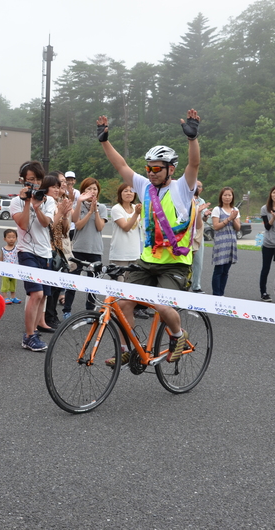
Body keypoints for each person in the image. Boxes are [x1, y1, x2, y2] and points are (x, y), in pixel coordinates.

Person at [96, 109, 201, 365]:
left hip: (175, 264)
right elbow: (120, 164)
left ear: (170, 170)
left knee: (164, 307)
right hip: (146, 261)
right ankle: (126, 349)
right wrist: (104, 141)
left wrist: (192, 139)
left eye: (157, 168)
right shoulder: (143, 186)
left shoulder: (182, 189)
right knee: (122, 305)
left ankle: (177, 335)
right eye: (149, 168)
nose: (152, 172)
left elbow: (194, 164)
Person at [10, 161, 56, 351]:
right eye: (30, 180)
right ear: (23, 181)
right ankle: (28, 336)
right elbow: (22, 224)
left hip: (46, 253)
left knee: (43, 295)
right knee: (35, 294)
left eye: (37, 179)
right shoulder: (15, 202)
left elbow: (45, 224)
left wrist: (37, 206)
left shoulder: (49, 200)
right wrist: (27, 201)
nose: (34, 183)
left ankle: (34, 332)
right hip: (26, 252)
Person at [62, 177, 107, 317]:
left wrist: (95, 211)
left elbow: (100, 227)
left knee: (93, 284)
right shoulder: (78, 206)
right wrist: (86, 209)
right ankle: (67, 311)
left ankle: (89, 312)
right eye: (88, 189)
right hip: (78, 249)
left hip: (95, 250)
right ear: (83, 191)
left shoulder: (102, 207)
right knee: (73, 282)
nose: (92, 191)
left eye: (94, 189)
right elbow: (78, 225)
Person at [44, 171, 72, 329]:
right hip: (48, 247)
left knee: (56, 285)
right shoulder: (47, 203)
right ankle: (48, 316)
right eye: (56, 184)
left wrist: (65, 215)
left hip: (59, 248)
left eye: (61, 183)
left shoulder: (61, 201)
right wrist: (60, 212)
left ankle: (52, 314)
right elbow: (48, 227)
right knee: (49, 286)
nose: (61, 186)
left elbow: (65, 230)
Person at [210, 187, 240, 296]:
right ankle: (216, 294)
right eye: (225, 195)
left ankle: (221, 293)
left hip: (231, 242)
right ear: (221, 196)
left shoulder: (235, 210)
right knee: (219, 270)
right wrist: (229, 218)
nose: (227, 197)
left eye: (229, 195)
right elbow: (216, 226)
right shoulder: (217, 209)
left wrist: (234, 218)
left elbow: (238, 228)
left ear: (232, 197)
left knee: (226, 271)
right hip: (220, 243)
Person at [109, 183, 142, 277]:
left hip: (135, 254)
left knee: (132, 286)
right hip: (120, 254)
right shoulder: (116, 209)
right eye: (126, 191)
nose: (129, 193)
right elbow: (126, 227)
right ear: (120, 194)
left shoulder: (136, 208)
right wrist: (136, 214)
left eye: (131, 191)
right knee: (118, 286)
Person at [259, 185, 275, 302]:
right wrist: (273, 218)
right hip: (268, 244)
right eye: (274, 192)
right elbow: (267, 227)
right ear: (271, 194)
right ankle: (263, 292)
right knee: (265, 269)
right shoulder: (265, 208)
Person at [190, 181, 211, 293]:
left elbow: (203, 220)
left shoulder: (202, 201)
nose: (198, 188)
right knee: (186, 261)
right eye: (196, 185)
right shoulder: (186, 198)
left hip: (199, 235)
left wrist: (206, 216)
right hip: (186, 234)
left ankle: (196, 286)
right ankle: (183, 284)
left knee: (198, 262)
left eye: (200, 186)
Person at [0, 229, 22, 305]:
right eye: (9, 237)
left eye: (13, 237)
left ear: (16, 238)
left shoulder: (17, 248)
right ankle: (5, 297)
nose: (11, 239)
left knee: (13, 283)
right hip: (5, 270)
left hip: (14, 270)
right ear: (4, 239)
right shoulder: (3, 249)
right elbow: (1, 259)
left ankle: (13, 297)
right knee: (5, 284)